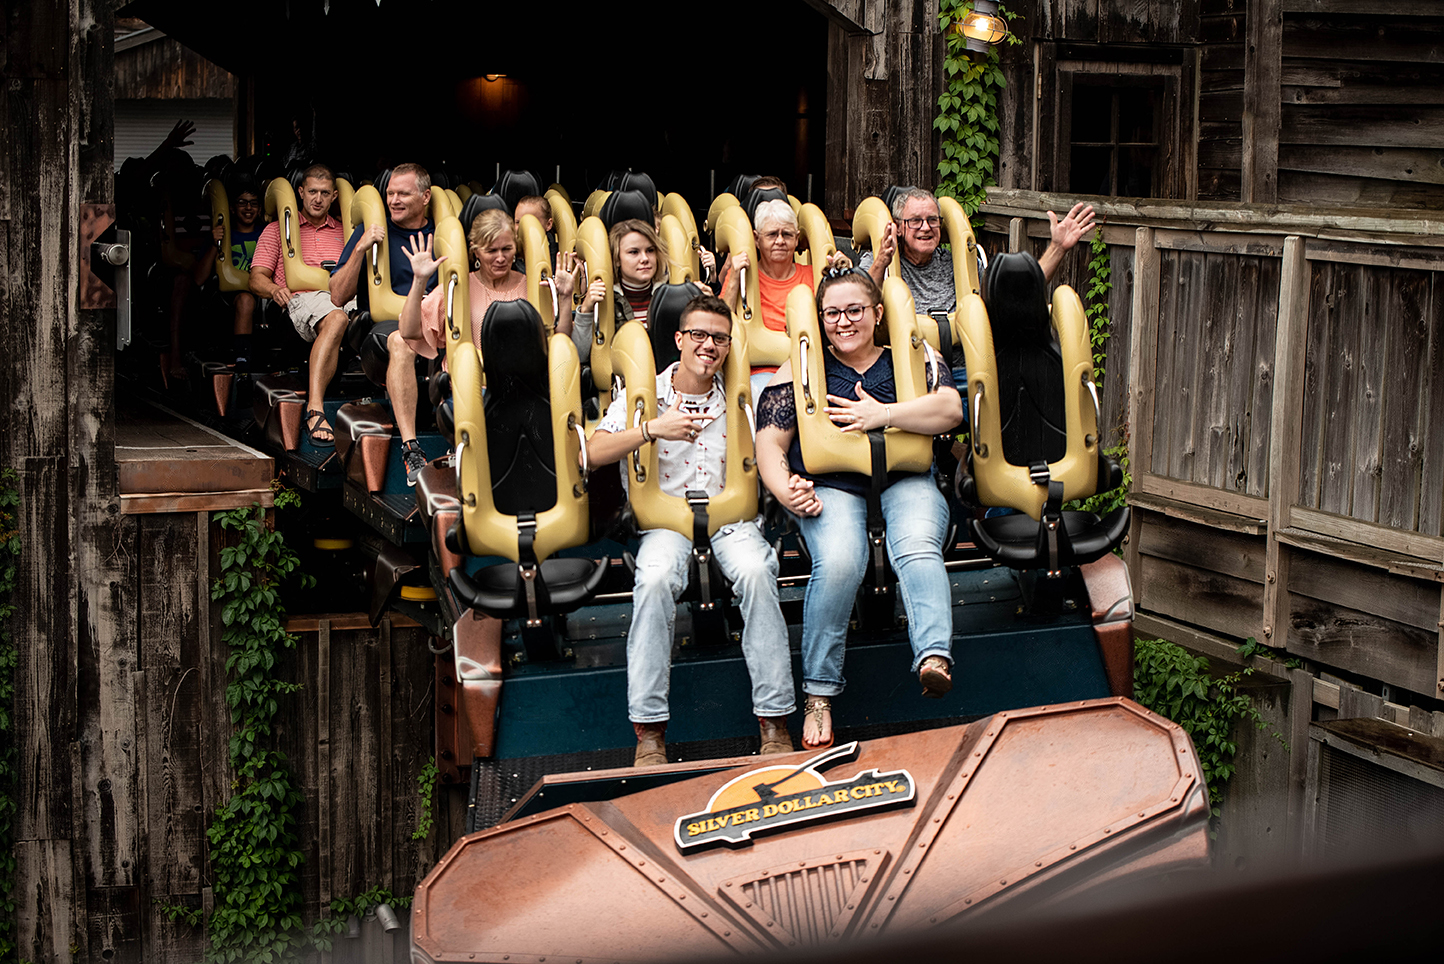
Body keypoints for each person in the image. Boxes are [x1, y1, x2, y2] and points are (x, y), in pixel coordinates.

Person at [754, 269, 963, 750]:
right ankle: (820, 693)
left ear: (877, 314)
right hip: (834, 486)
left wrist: (883, 414)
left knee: (916, 545)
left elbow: (949, 410)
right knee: (842, 560)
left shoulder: (911, 357)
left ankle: (934, 658)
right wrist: (786, 489)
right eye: (833, 313)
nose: (844, 322)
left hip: (904, 478)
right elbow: (770, 440)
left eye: (855, 311)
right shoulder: (804, 366)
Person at [588, 294, 796, 767]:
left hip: (731, 519)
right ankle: (649, 732)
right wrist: (651, 430)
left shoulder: (741, 395)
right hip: (666, 522)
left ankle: (774, 720)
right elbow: (592, 454)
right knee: (656, 579)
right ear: (680, 339)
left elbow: (793, 376)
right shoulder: (647, 393)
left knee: (758, 573)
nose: (709, 346)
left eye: (719, 338)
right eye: (698, 335)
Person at [328, 163, 436, 484]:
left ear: (425, 196)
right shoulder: (373, 230)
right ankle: (410, 448)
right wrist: (360, 248)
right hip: (386, 329)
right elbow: (337, 295)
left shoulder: (442, 232)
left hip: (436, 322)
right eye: (390, 193)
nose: (394, 200)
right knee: (403, 341)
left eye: (403, 193)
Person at [860, 188, 1096, 313]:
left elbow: (1017, 293)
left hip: (965, 368)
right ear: (899, 227)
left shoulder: (960, 261)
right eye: (915, 221)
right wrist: (882, 261)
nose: (925, 228)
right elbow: (857, 303)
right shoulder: (879, 260)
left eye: (933, 220)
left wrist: (1057, 248)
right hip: (905, 369)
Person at [249, 163, 353, 445]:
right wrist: (273, 289)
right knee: (337, 319)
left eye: (324, 193)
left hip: (344, 298)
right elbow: (256, 278)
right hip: (300, 301)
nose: (317, 199)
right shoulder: (277, 230)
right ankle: (315, 408)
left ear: (334, 196)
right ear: (300, 193)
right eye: (312, 192)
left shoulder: (345, 231)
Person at [398, 208, 581, 361]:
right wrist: (420, 280)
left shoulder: (533, 286)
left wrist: (565, 297)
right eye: (491, 251)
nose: (500, 258)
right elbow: (409, 331)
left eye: (506, 249)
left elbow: (561, 341)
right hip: (472, 387)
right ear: (476, 251)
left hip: (523, 388)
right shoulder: (460, 287)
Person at [719, 198, 853, 399]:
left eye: (787, 234)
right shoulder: (744, 276)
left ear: (797, 238)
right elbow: (719, 321)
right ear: (756, 239)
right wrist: (733, 278)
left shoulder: (814, 274)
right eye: (772, 234)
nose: (780, 241)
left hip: (812, 368)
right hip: (763, 372)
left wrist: (844, 276)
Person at [572, 218, 712, 346]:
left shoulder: (673, 295)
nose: (645, 258)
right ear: (616, 259)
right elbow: (581, 353)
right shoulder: (604, 298)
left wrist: (709, 306)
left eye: (650, 251)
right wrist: (586, 310)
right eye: (634, 252)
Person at [194, 174, 263, 370]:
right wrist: (216, 243)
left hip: (265, 294)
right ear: (232, 208)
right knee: (245, 300)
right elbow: (198, 279)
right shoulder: (223, 233)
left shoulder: (267, 232)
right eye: (242, 203)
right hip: (228, 298)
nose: (248, 208)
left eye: (253, 204)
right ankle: (242, 362)